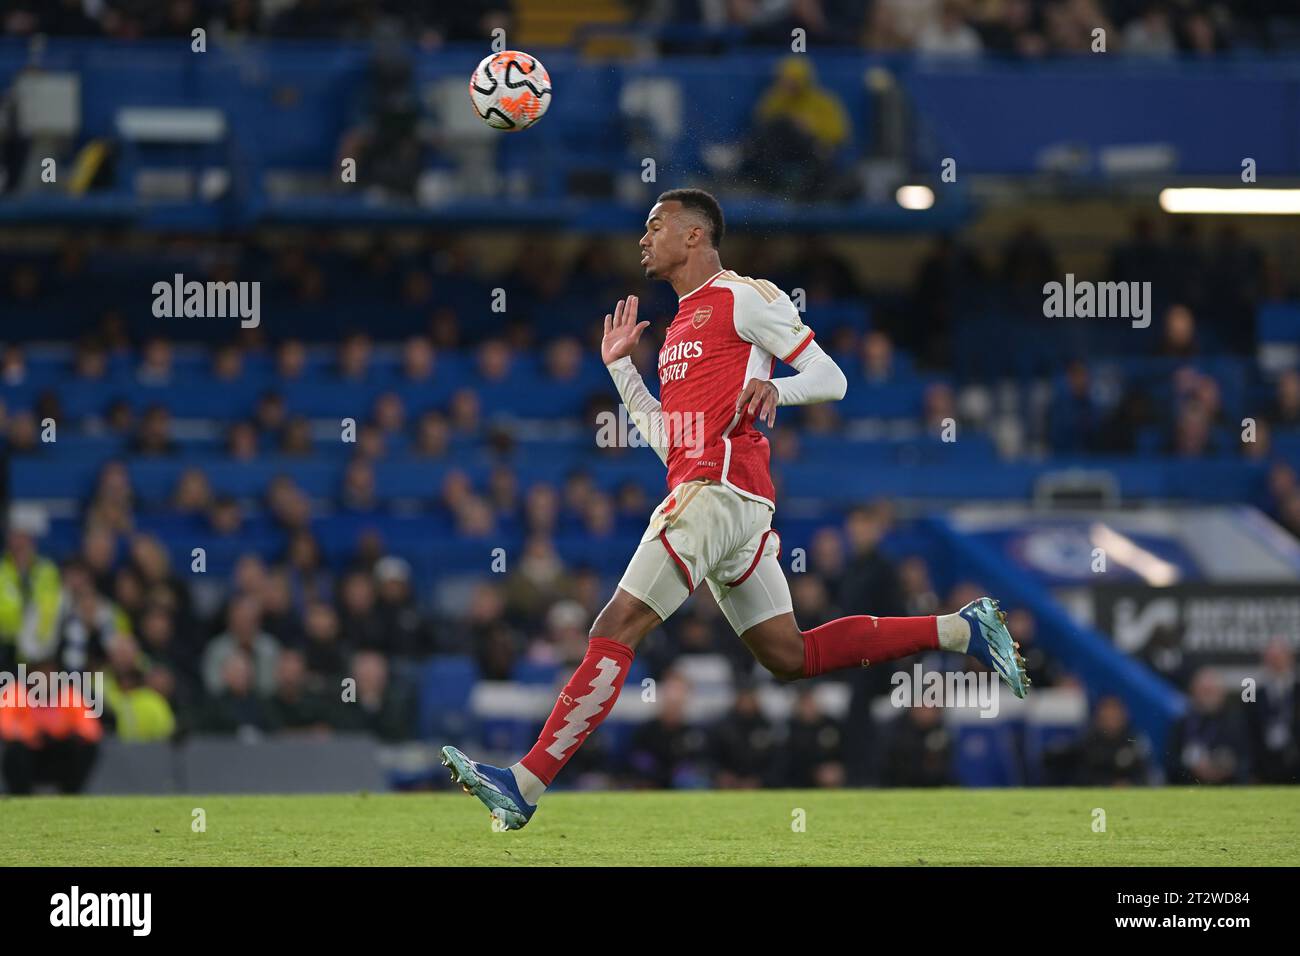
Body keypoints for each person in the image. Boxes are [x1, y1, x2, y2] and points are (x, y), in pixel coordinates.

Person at [441, 188, 1029, 829]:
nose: (644, 239)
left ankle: (523, 785)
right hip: (718, 494)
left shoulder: (743, 295)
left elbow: (832, 377)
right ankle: (962, 629)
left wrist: (775, 385)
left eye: (655, 226)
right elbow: (671, 439)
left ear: (694, 236)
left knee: (614, 628)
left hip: (717, 493)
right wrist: (622, 373)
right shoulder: (673, 334)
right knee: (789, 654)